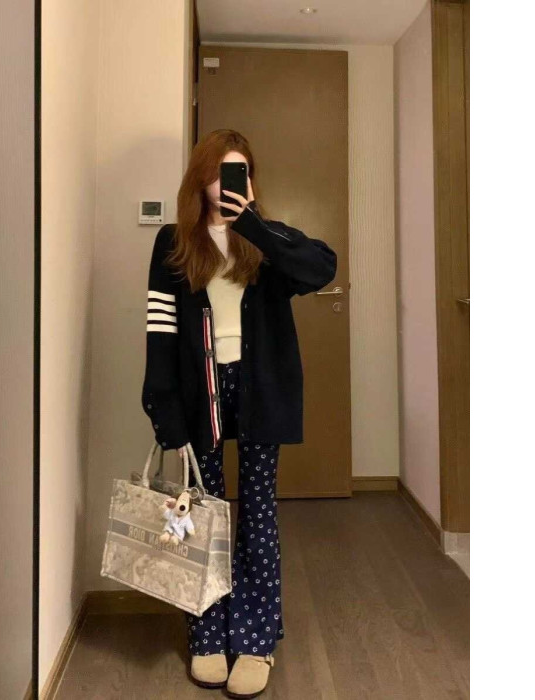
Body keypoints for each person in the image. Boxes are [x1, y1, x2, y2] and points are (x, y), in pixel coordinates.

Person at [141, 129, 337, 698]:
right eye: (219, 173)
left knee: (256, 511)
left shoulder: (266, 240)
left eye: (240, 172)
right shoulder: (173, 242)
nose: (228, 183)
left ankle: (254, 639)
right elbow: (160, 329)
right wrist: (163, 409)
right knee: (200, 513)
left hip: (259, 389)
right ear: (199, 179)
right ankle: (207, 633)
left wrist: (252, 224)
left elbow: (320, 268)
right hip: (197, 391)